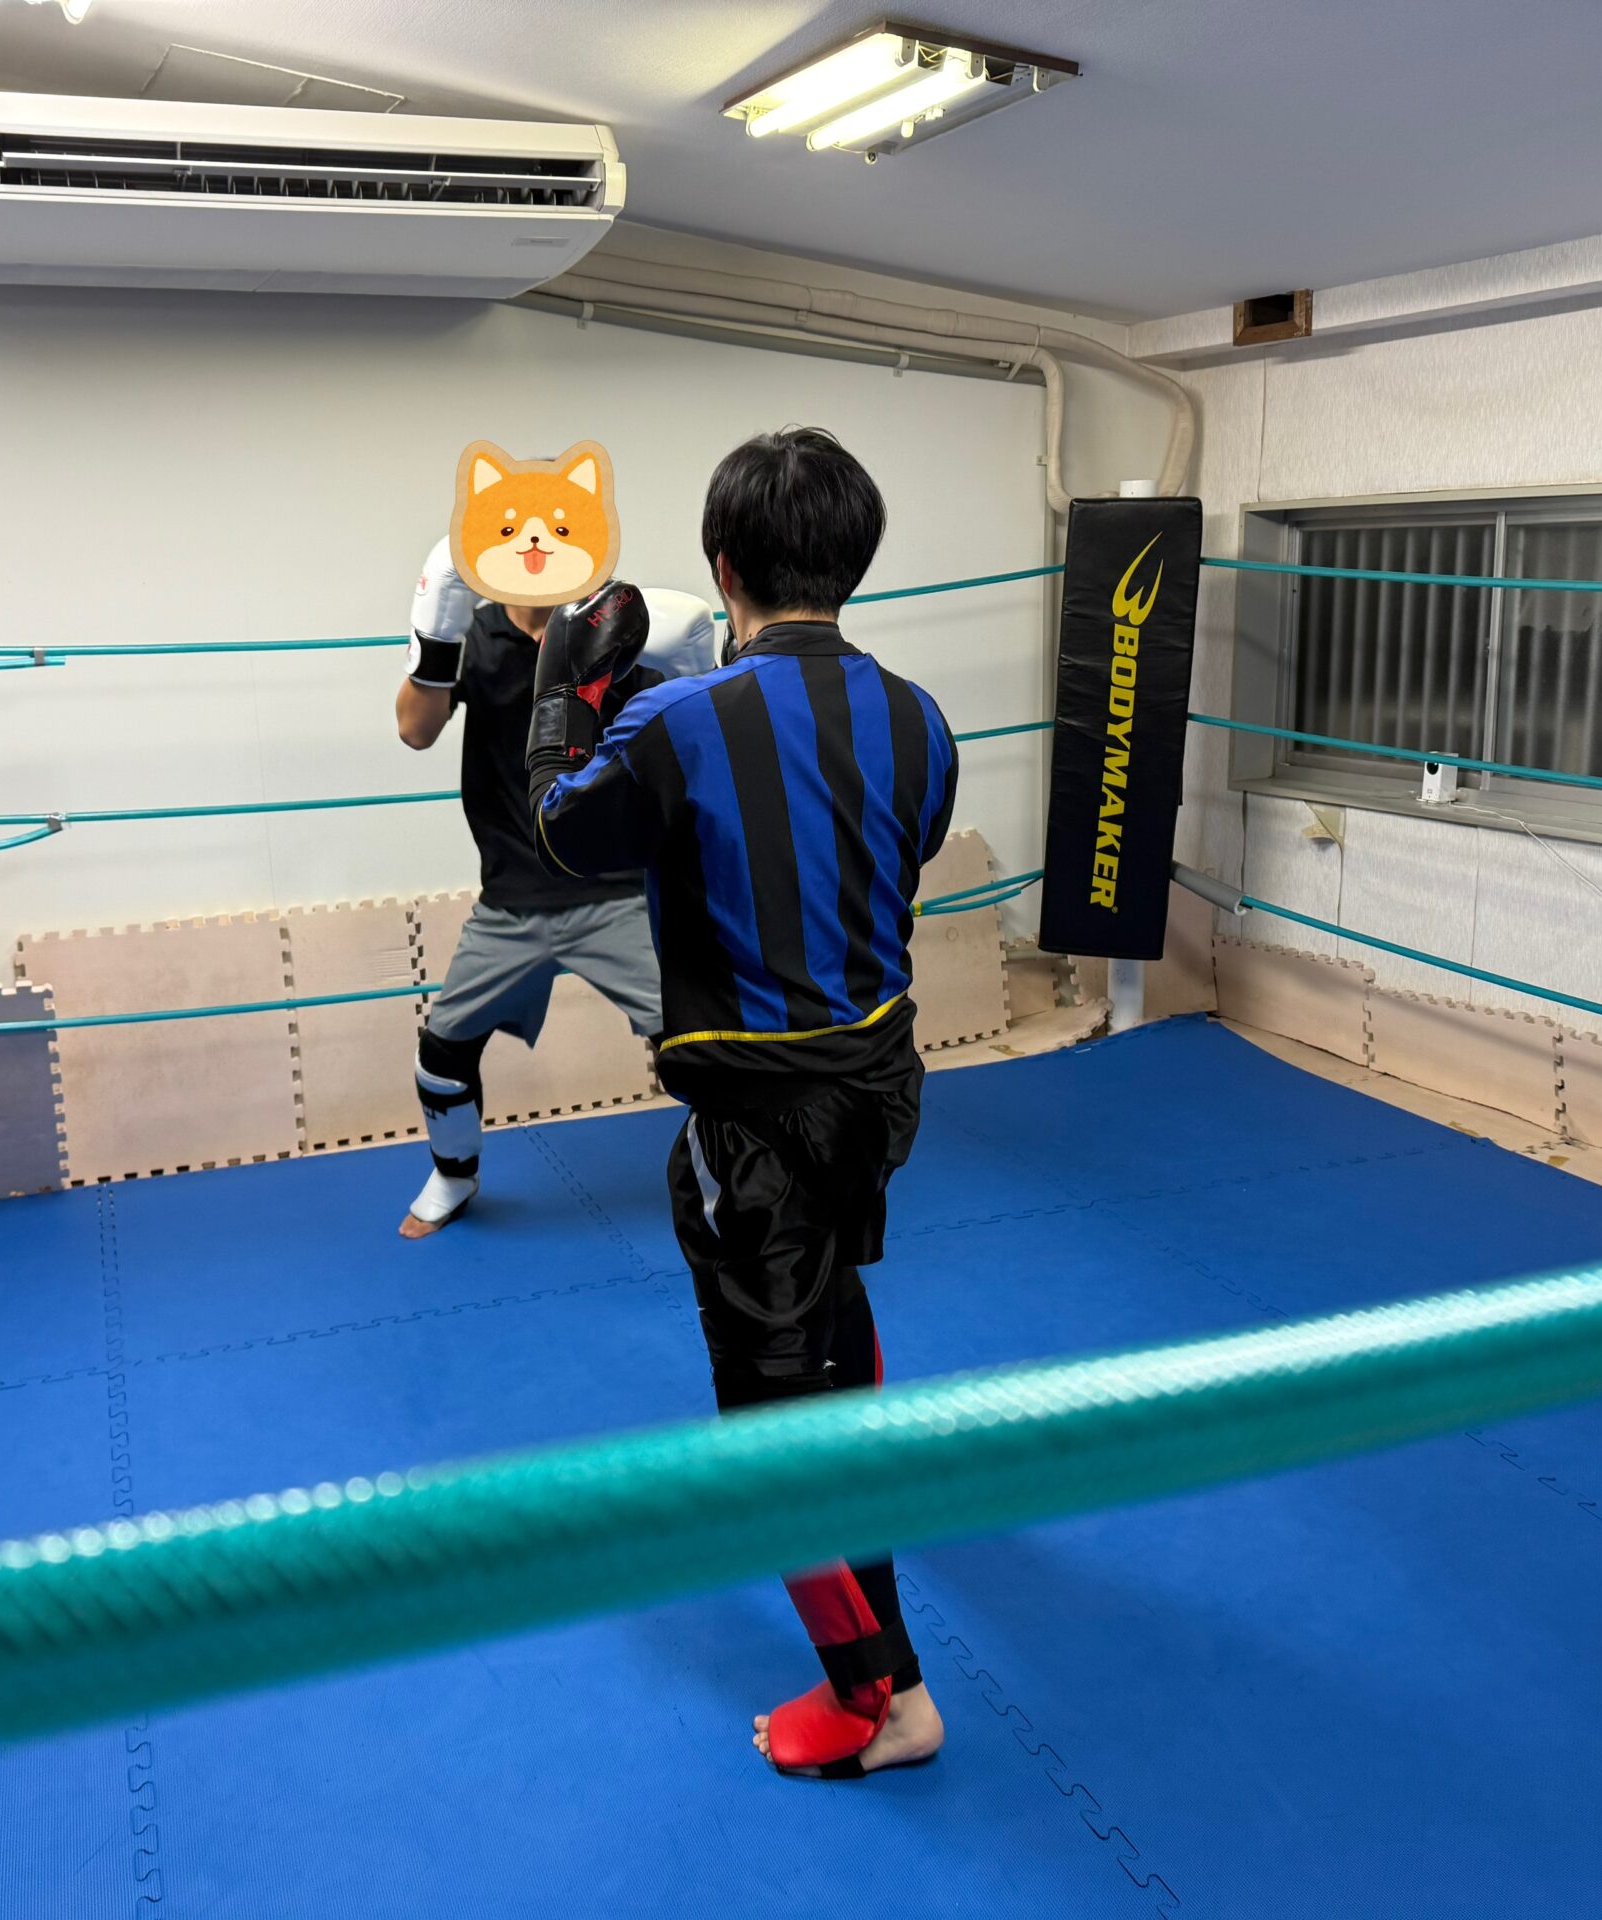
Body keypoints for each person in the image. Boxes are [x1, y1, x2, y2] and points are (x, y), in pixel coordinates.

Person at [524, 427, 956, 1779]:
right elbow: (900, 850)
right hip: (880, 1093)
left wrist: (561, 696)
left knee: (764, 1428)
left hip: (754, 1124)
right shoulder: (921, 718)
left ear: (723, 566)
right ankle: (870, 1493)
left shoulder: (676, 721)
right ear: (854, 562)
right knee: (832, 1305)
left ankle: (886, 1702)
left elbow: (566, 835)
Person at [392, 538, 714, 1238]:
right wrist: (436, 633)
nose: (535, 546)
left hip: (616, 892)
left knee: (704, 1042)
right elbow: (415, 731)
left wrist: (678, 664)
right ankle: (454, 1175)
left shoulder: (615, 628)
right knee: (442, 1053)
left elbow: (687, 748)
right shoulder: (478, 634)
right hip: (510, 902)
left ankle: (735, 1182)